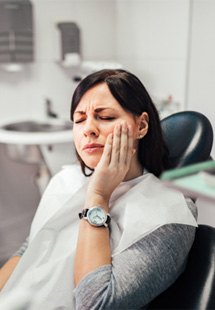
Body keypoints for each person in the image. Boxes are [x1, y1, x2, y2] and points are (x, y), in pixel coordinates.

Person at [0, 69, 197, 309]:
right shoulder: (65, 180)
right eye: (79, 119)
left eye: (105, 117)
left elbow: (96, 303)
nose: (88, 129)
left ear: (141, 125)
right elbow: (31, 248)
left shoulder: (169, 215)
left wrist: (98, 196)